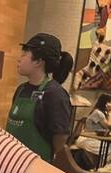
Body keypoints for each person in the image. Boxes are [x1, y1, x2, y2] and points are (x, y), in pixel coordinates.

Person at [7, 33, 74, 162]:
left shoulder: (55, 94)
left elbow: (60, 138)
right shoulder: (21, 89)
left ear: (38, 61)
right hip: (12, 162)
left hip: (37, 166)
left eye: (24, 54)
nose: (19, 59)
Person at [75, 93, 111, 165]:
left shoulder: (103, 113)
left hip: (94, 139)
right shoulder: (98, 113)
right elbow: (109, 126)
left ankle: (101, 166)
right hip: (87, 139)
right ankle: (101, 166)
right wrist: (110, 113)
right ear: (106, 103)